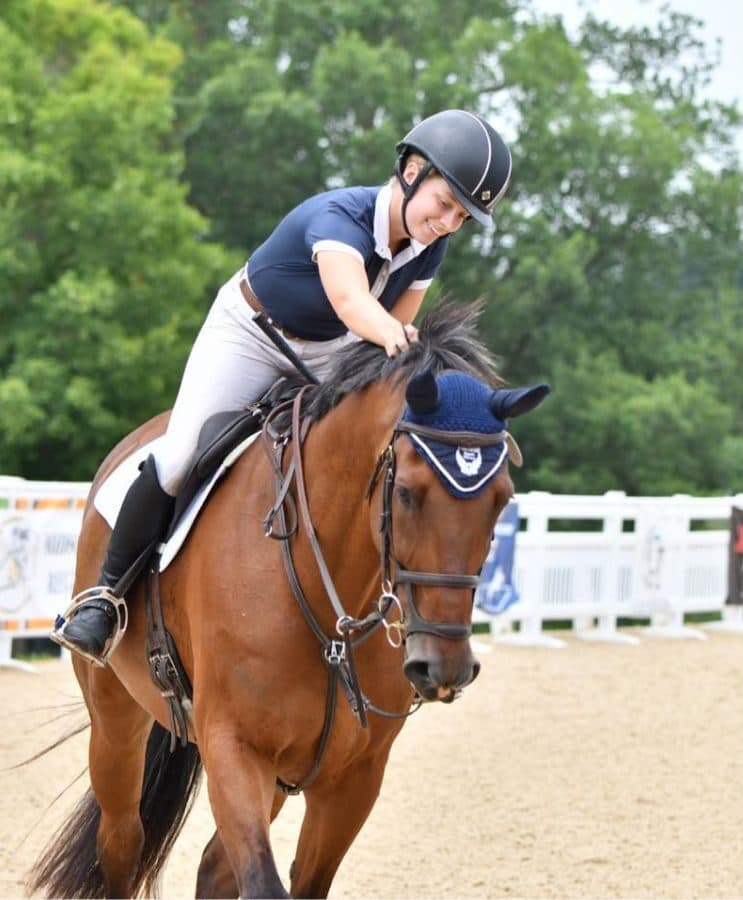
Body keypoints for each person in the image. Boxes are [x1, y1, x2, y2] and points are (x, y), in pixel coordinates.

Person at [52, 109, 514, 666]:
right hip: (252, 334)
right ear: (412, 172)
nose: (447, 222)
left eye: (461, 216)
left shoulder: (428, 246)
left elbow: (392, 328)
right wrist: (399, 340)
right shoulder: (340, 217)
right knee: (180, 455)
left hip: (337, 348)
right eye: (445, 203)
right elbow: (353, 302)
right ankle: (103, 599)